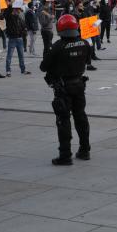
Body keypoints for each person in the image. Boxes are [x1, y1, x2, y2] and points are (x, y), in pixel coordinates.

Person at [41, 14, 92, 165]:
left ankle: (65, 155)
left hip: (63, 88)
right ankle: (85, 150)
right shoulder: (84, 44)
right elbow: (87, 60)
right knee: (81, 117)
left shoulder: (58, 46)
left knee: (63, 120)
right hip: (79, 86)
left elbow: (43, 67)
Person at [4, 6, 30, 77]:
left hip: (19, 38)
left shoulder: (19, 18)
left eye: (19, 10)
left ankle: (23, 70)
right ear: (14, 10)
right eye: (17, 10)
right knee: (9, 56)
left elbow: (23, 27)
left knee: (21, 55)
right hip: (12, 38)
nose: (19, 11)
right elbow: (7, 13)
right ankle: (8, 71)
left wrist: (23, 33)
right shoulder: (9, 17)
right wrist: (10, 5)